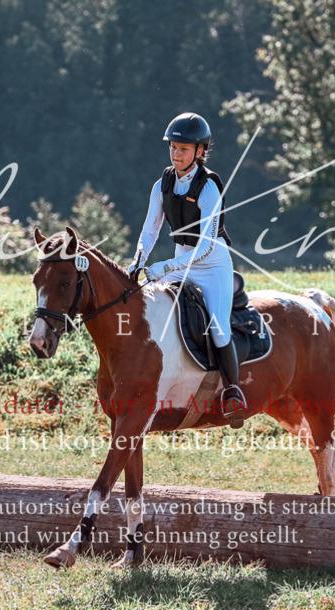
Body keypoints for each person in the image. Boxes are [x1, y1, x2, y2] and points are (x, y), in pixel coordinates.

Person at [128, 112, 246, 428]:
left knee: (219, 326)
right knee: (155, 309)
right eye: (173, 147)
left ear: (199, 151)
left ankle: (233, 393)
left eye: (183, 148)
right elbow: (151, 229)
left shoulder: (208, 187)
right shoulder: (162, 184)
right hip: (181, 258)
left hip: (212, 263)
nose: (176, 153)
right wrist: (139, 259)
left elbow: (205, 245)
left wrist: (165, 265)